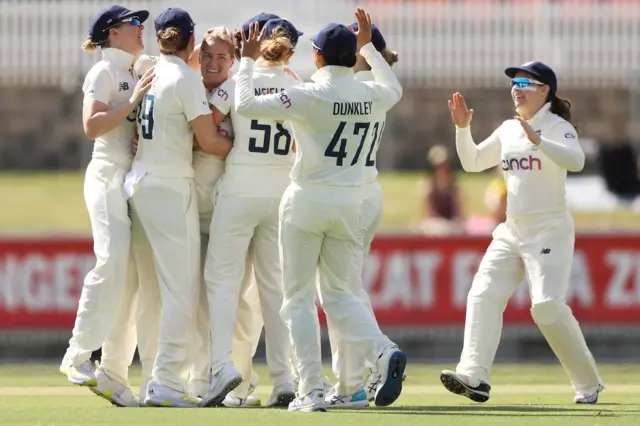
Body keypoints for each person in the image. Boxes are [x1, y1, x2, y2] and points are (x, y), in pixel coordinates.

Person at [233, 9, 406, 412]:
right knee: (342, 296)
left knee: (296, 300)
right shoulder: (371, 93)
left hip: (308, 198)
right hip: (349, 203)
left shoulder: (309, 93)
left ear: (317, 57)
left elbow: (244, 106)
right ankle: (381, 350)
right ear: (352, 58)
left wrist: (245, 59)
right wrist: (370, 48)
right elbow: (393, 88)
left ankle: (310, 389)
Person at [440, 61, 604, 404]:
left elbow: (576, 161)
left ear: (545, 90)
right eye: (513, 82)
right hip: (513, 229)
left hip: (550, 230)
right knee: (483, 293)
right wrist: (461, 130)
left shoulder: (558, 127)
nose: (515, 88)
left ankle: (588, 383)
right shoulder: (508, 129)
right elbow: (472, 162)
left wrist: (539, 140)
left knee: (545, 307)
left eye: (524, 82)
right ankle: (474, 374)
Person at [126, 7, 232, 408]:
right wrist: (246, 151)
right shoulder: (186, 79)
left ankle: (155, 375)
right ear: (191, 42)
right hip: (169, 189)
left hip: (140, 182)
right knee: (182, 291)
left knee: (153, 291)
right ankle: (166, 382)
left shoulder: (150, 72)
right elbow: (208, 141)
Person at [200, 17, 303, 409]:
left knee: (222, 281)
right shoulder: (296, 85)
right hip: (280, 192)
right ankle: (284, 380)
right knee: (275, 290)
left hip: (240, 189)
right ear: (287, 48)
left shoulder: (234, 82)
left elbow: (206, 129)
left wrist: (231, 137)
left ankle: (222, 368)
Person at [59, 5, 153, 408]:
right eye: (134, 24)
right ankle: (76, 354)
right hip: (104, 175)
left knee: (128, 277)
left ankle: (112, 375)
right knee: (111, 259)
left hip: (129, 178)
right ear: (113, 33)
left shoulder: (134, 69)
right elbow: (91, 126)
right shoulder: (103, 72)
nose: (141, 29)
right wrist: (131, 102)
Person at [323, 21, 398, 409]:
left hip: (346, 196)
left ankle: (354, 380)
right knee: (348, 290)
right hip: (368, 193)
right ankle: (354, 379)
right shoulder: (378, 89)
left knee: (339, 293)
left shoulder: (357, 88)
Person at [419, 144, 465, 235]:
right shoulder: (428, 190)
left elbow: (459, 215)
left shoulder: (455, 190)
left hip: (452, 227)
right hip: (434, 226)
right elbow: (429, 214)